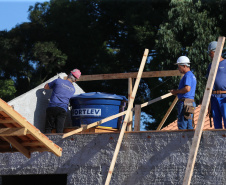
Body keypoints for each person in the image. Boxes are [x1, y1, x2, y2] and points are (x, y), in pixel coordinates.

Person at [44, 69, 81, 133]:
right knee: (59, 131)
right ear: (75, 80)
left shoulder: (58, 81)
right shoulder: (73, 89)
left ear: (69, 74)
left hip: (52, 107)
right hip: (62, 110)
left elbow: (46, 87)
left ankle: (46, 142)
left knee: (48, 128)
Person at [170, 56, 197, 130]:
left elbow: (187, 88)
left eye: (179, 67)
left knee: (182, 126)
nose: (178, 69)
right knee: (189, 126)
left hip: (185, 103)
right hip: (190, 103)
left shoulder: (187, 75)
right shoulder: (192, 75)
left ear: (184, 66)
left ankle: (183, 141)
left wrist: (176, 91)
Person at [206, 41, 226, 129]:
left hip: (224, 96)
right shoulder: (210, 66)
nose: (210, 55)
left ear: (217, 51)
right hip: (213, 97)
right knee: (216, 122)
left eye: (211, 53)